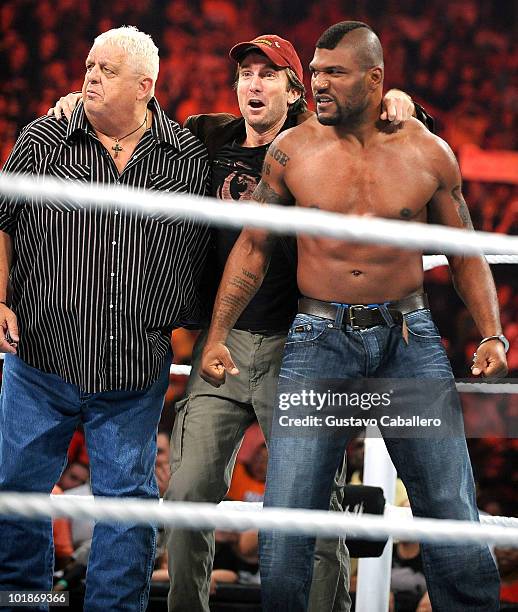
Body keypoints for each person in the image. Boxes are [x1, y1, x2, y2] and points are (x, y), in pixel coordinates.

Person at [48, 33, 425, 612]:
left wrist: (399, 102)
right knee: (188, 492)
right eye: (247, 74)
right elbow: (143, 123)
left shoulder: (322, 144)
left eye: (269, 75)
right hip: (220, 346)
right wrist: (82, 105)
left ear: (295, 91)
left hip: (300, 346)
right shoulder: (208, 136)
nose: (254, 84)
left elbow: (404, 140)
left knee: (314, 505)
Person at [200, 21, 508, 612]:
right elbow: (253, 247)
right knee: (289, 509)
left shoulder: (426, 152)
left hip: (407, 341)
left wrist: (491, 331)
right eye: (314, 72)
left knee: (447, 501)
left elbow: (466, 250)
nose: (317, 84)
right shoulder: (292, 151)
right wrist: (217, 336)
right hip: (318, 341)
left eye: (333, 73)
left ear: (374, 79)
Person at [0, 26, 208, 612]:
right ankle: (23, 605)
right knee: (16, 491)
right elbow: (3, 218)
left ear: (145, 86)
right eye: (88, 65)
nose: (89, 76)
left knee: (126, 504)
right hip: (41, 355)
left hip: (133, 365)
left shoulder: (184, 155)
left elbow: (203, 242)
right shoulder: (45, 139)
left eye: (106, 70)